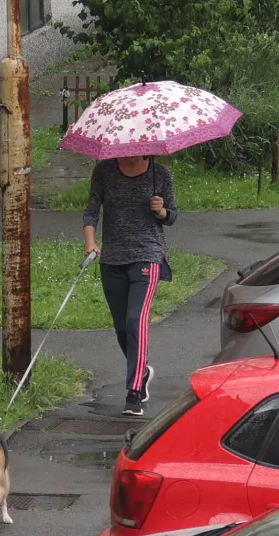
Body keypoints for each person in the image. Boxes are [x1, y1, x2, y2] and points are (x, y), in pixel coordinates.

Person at [83, 155, 178, 416]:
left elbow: (172, 216)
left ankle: (134, 392)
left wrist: (161, 210)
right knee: (122, 327)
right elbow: (92, 210)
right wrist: (90, 242)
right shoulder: (104, 171)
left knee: (136, 320)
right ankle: (142, 371)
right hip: (113, 258)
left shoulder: (160, 174)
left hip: (147, 255)